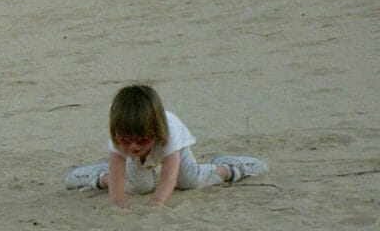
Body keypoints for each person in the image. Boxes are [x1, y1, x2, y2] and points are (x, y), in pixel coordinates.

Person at [64, 84, 268, 208]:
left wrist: (158, 202)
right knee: (139, 186)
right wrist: (118, 203)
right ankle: (99, 176)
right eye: (126, 140)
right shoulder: (120, 137)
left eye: (141, 139)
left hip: (174, 149)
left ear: (155, 133)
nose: (133, 146)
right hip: (134, 156)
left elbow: (169, 175)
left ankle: (229, 168)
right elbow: (119, 167)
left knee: (188, 180)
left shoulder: (169, 134)